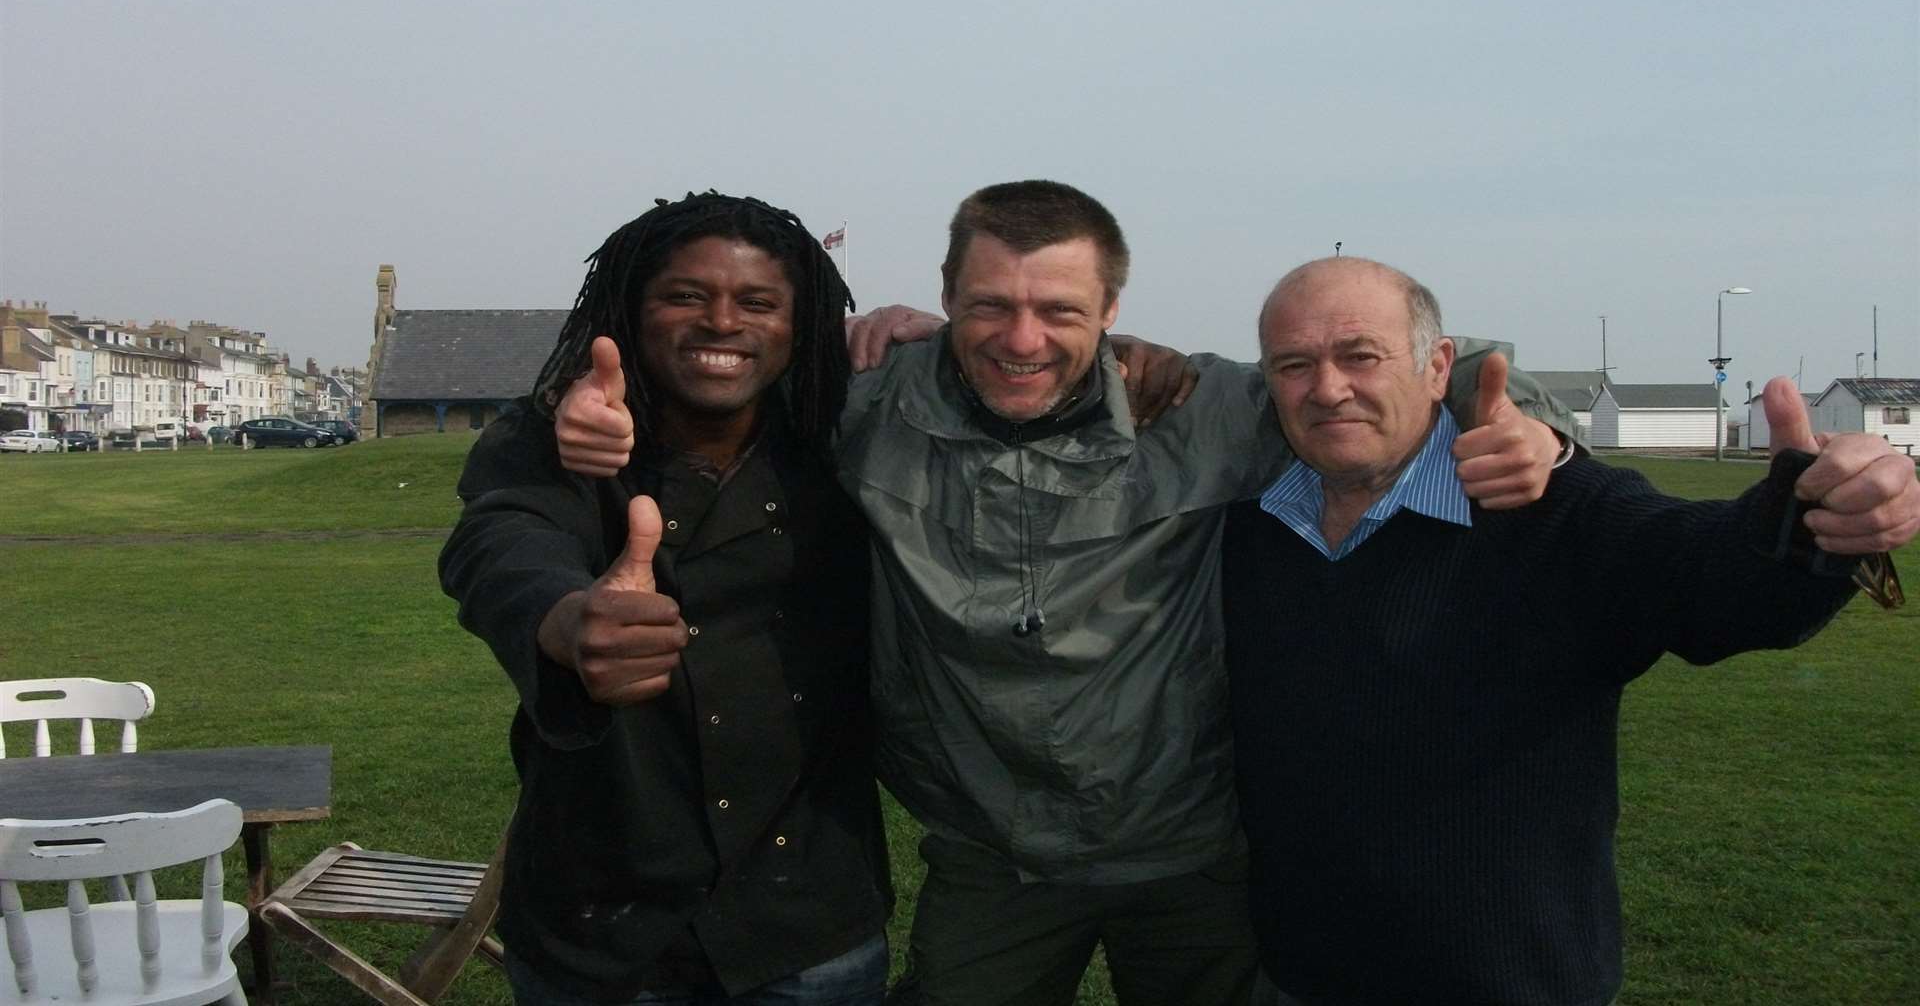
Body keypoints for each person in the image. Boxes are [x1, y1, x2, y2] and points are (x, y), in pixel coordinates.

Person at [555, 180, 1580, 1005]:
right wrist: (584, 418)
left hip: (1193, 854)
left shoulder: (1200, 406)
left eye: (1061, 311)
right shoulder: (865, 406)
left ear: (1113, 313)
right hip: (990, 858)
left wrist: (1536, 428)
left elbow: (1421, 372)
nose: (1023, 338)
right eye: (990, 306)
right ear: (946, 298)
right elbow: (707, 372)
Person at [1222, 256, 1919, 1006]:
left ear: (1438, 367)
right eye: (1294, 364)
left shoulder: (1555, 512)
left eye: (1360, 355)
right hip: (1297, 977)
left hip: (1507, 983)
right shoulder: (1249, 527)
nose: (1328, 389)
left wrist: (1812, 523)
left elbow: (1709, 580)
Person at [438, 192, 892, 1004]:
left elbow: (1021, 372)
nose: (722, 321)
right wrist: (570, 620)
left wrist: (939, 334)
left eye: (758, 301)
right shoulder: (550, 442)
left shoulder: (848, 439)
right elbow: (499, 541)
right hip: (604, 927)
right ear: (631, 311)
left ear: (802, 324)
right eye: (684, 296)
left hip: (807, 920)